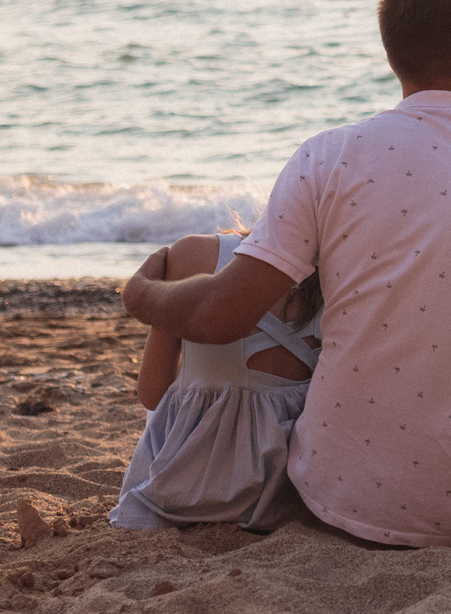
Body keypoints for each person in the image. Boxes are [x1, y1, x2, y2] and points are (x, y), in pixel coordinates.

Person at [121, 0, 451, 547]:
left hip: (335, 495)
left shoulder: (327, 156)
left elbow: (222, 313)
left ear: (393, 56)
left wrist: (141, 294)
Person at [109, 226, 323, 531]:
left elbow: (152, 393)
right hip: (287, 495)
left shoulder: (195, 253)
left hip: (185, 489)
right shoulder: (345, 273)